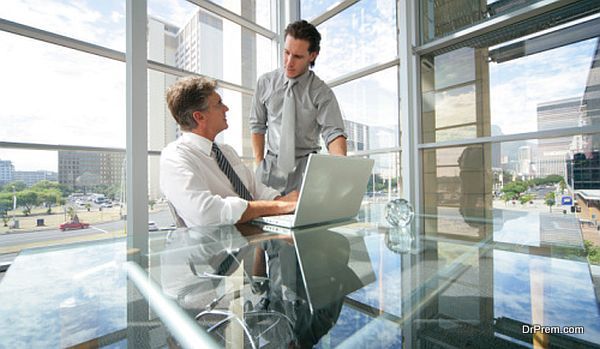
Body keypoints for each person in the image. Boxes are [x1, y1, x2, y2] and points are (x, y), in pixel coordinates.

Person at [160, 76, 298, 227]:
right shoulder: (175, 157)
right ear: (199, 116)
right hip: (216, 247)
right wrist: (279, 207)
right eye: (219, 103)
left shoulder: (227, 152)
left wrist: (284, 201)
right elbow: (205, 214)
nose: (226, 108)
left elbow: (256, 188)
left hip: (253, 238)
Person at [250, 20, 347, 194]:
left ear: (312, 55)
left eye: (297, 56)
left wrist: (341, 170)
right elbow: (257, 126)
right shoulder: (265, 83)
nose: (288, 62)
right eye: (286, 53)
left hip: (307, 171)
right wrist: (258, 163)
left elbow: (333, 133)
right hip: (270, 169)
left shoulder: (322, 92)